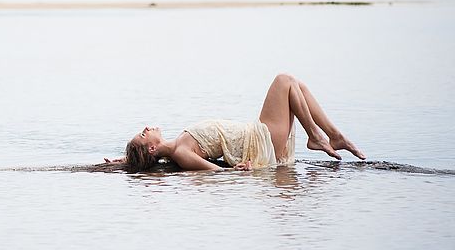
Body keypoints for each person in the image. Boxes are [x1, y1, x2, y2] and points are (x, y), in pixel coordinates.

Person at [106, 73, 366, 172]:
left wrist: (126, 160)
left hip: (259, 136)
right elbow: (216, 173)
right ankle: (317, 137)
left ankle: (334, 136)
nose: (146, 129)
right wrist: (239, 170)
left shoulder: (176, 148)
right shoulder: (182, 154)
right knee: (284, 81)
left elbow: (142, 158)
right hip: (260, 141)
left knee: (297, 86)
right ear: (151, 148)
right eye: (143, 135)